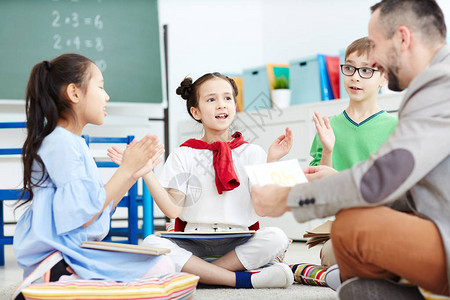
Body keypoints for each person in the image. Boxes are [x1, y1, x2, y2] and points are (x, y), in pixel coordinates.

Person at [251, 0, 450, 299]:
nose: (374, 60)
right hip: (430, 220)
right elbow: (405, 188)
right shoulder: (431, 86)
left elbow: (378, 181)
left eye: (375, 45)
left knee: (352, 229)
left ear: (403, 38)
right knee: (356, 282)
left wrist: (286, 198)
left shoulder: (440, 87)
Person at [108, 72, 294, 289]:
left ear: (235, 105)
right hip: (192, 241)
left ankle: (201, 274)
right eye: (211, 99)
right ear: (196, 112)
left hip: (239, 241)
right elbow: (173, 211)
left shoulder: (253, 152)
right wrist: (146, 172)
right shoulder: (183, 154)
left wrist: (272, 161)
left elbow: (263, 210)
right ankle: (240, 279)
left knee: (277, 237)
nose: (221, 105)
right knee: (151, 242)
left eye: (227, 98)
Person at [13, 54, 175, 289]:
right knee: (161, 268)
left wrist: (132, 175)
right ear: (74, 93)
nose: (107, 96)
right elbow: (85, 213)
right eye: (100, 87)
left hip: (73, 253)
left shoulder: (72, 141)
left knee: (163, 263)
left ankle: (71, 283)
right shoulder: (60, 142)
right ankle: (57, 281)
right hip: (59, 258)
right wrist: (127, 169)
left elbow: (98, 207)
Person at [309, 36, 398, 269]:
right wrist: (327, 150)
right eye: (349, 68)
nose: (355, 76)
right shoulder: (329, 128)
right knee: (332, 254)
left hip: (385, 224)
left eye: (367, 70)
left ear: (384, 78)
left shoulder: (396, 128)